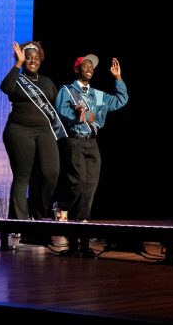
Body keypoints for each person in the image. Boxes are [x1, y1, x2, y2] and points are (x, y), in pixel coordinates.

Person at [54, 55, 128, 224]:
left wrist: (118, 79)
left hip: (92, 141)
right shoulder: (68, 90)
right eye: (85, 65)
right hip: (74, 140)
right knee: (78, 179)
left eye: (92, 67)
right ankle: (61, 205)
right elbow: (60, 110)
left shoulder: (98, 95)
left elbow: (121, 100)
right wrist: (81, 114)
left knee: (91, 183)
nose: (89, 68)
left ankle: (82, 220)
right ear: (77, 69)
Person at [0, 40, 65, 220]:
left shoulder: (47, 82)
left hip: (44, 131)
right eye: (28, 58)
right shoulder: (17, 79)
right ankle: (19, 221)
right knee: (22, 176)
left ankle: (38, 213)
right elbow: (5, 88)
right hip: (19, 131)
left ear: (41, 59)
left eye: (35, 58)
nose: (32, 61)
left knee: (51, 173)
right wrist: (18, 64)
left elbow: (58, 106)